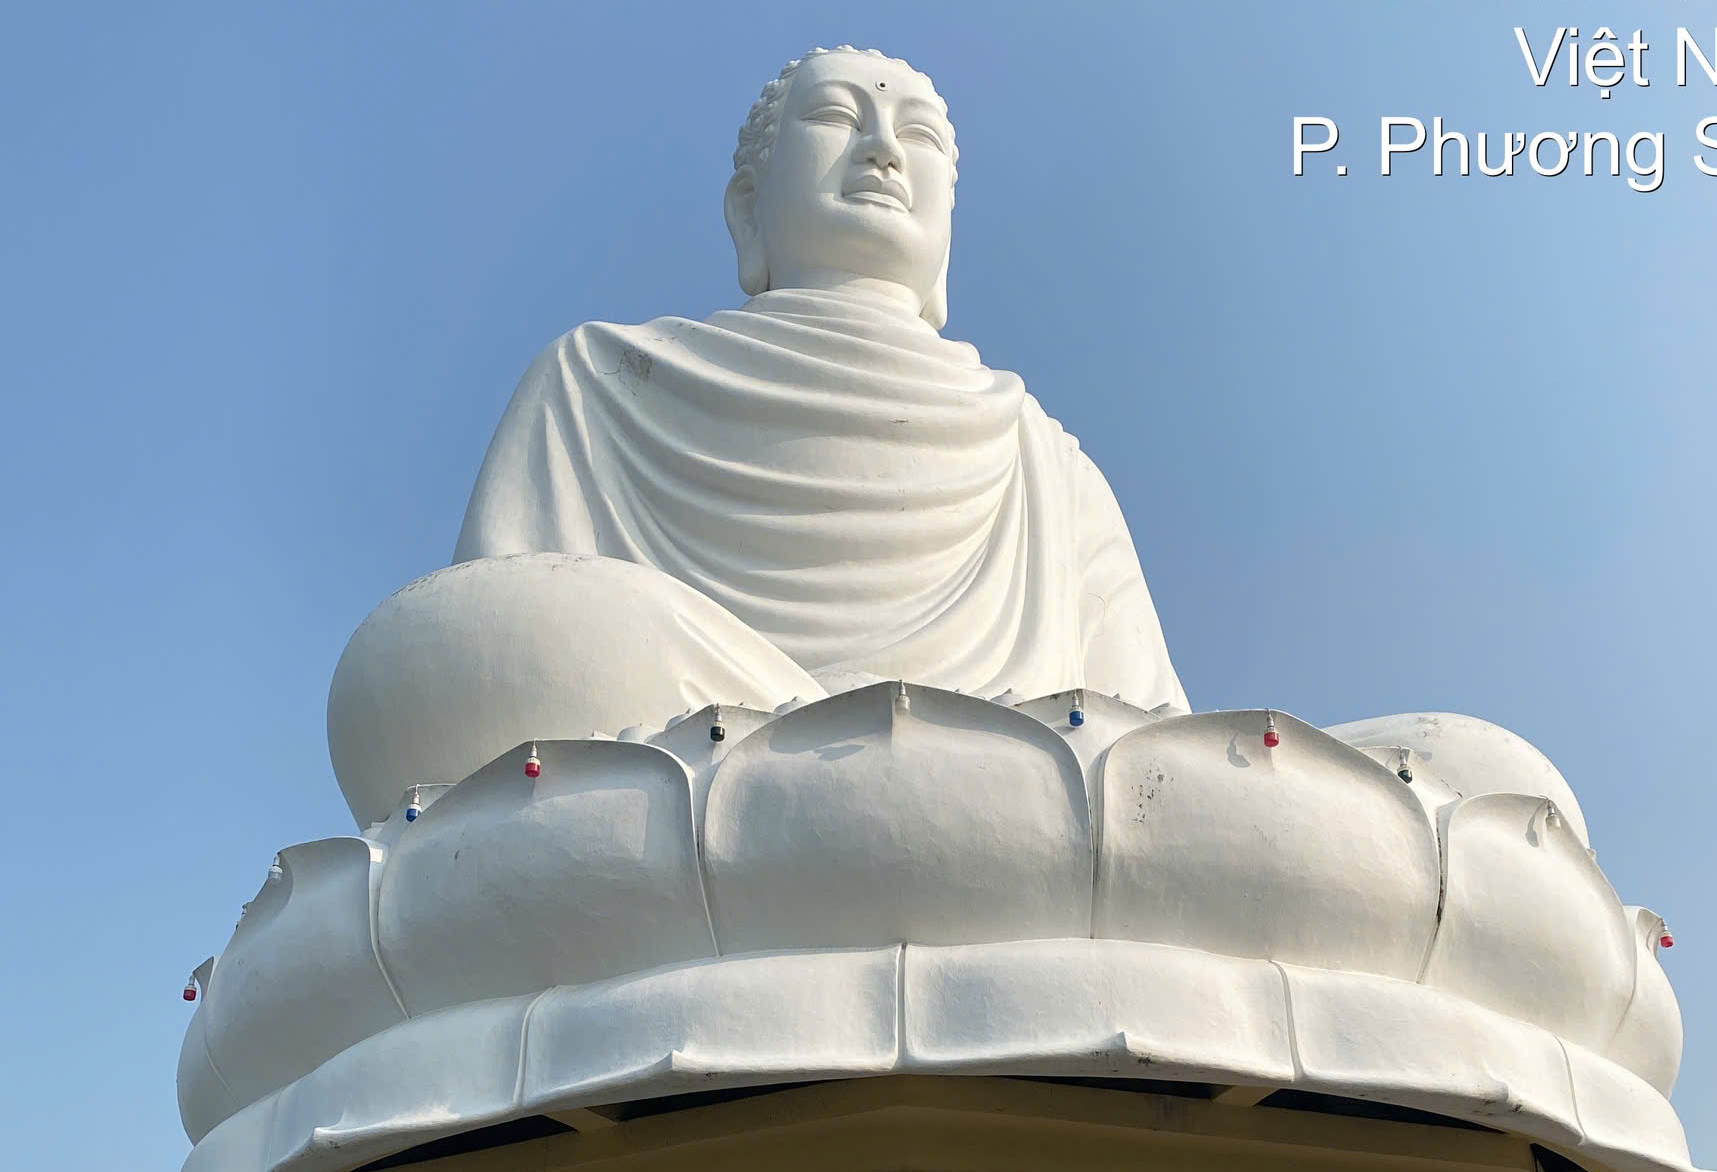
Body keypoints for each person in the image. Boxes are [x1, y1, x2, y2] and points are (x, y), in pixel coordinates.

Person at [455, 47, 1187, 722]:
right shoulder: (595, 380)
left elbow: (1144, 724)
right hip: (684, 735)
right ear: (749, 207)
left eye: (919, 135)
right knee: (448, 639)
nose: (882, 150)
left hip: (996, 761)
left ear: (948, 236)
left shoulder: (1047, 463)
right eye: (838, 116)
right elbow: (499, 623)